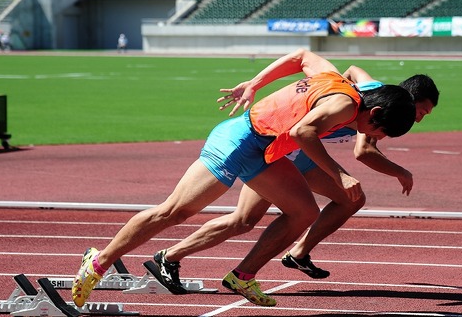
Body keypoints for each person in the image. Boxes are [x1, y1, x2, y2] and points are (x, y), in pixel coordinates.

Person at [72, 49, 416, 308]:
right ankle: (98, 261)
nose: (377, 139)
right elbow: (302, 132)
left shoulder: (336, 79)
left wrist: (256, 82)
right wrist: (340, 174)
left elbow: (302, 55)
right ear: (373, 113)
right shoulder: (344, 104)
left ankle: (243, 276)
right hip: (239, 141)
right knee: (175, 212)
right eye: (380, 131)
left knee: (304, 212)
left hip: (267, 152)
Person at [148, 69, 438, 297]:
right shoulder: (376, 111)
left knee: (351, 199)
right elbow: (363, 152)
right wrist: (401, 171)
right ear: (406, 100)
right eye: (420, 112)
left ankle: (298, 253)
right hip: (280, 150)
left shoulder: (375, 91)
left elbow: (353, 69)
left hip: (303, 155)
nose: (419, 120)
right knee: (244, 220)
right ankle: (169, 256)